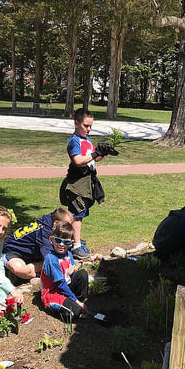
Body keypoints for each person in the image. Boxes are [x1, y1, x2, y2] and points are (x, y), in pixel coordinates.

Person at [60, 107, 118, 259]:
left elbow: (93, 158)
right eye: (86, 125)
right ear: (76, 123)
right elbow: (78, 160)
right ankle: (76, 246)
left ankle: (73, 240)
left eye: (91, 126)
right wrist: (95, 153)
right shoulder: (74, 141)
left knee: (80, 213)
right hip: (77, 184)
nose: (89, 129)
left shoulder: (87, 140)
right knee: (77, 214)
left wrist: (102, 153)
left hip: (87, 183)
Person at [2, 207, 74, 280]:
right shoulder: (44, 232)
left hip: (30, 254)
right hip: (12, 250)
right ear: (56, 223)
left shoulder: (51, 226)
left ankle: (37, 273)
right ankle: (36, 276)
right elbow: (48, 256)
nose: (69, 228)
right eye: (66, 225)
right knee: (20, 269)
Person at [41, 220, 89, 321]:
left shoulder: (69, 254)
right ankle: (73, 304)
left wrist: (73, 272)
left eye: (66, 242)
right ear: (51, 240)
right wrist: (75, 301)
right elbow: (60, 284)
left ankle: (78, 302)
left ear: (71, 243)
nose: (62, 245)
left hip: (65, 288)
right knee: (75, 312)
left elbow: (71, 275)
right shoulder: (51, 259)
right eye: (58, 241)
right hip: (53, 293)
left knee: (83, 274)